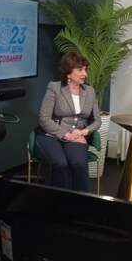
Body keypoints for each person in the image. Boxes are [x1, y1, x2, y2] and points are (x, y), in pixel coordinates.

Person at [36, 51, 101, 191]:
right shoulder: (55, 88)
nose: (85, 74)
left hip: (77, 135)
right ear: (68, 73)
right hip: (51, 134)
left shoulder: (90, 91)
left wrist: (83, 132)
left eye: (85, 69)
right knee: (61, 164)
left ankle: (82, 200)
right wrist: (66, 135)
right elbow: (43, 118)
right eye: (80, 70)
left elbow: (97, 121)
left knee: (78, 163)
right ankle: (59, 201)